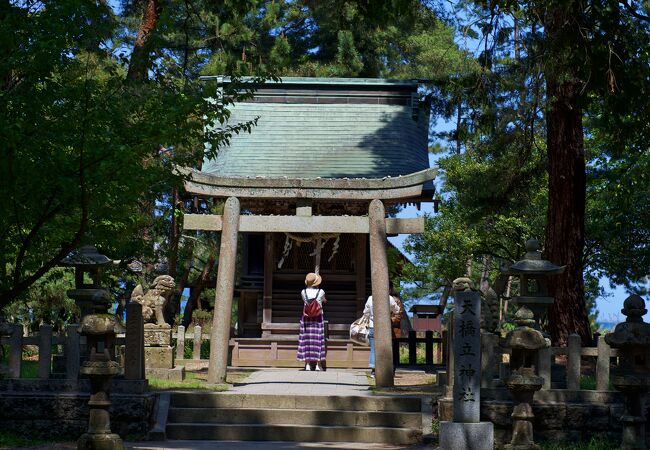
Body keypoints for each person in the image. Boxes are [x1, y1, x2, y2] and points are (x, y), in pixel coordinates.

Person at [363, 282, 401, 377]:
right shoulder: (389, 298)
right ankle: (384, 369)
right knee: (385, 348)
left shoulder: (370, 298)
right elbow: (397, 310)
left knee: (373, 348)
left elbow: (365, 312)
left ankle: (373, 370)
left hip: (372, 325)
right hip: (385, 327)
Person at [297, 272, 327, 371]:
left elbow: (305, 302)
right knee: (318, 340)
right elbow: (323, 300)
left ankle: (307, 365)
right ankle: (318, 365)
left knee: (306, 340)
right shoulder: (321, 291)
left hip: (306, 318)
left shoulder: (303, 292)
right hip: (318, 318)